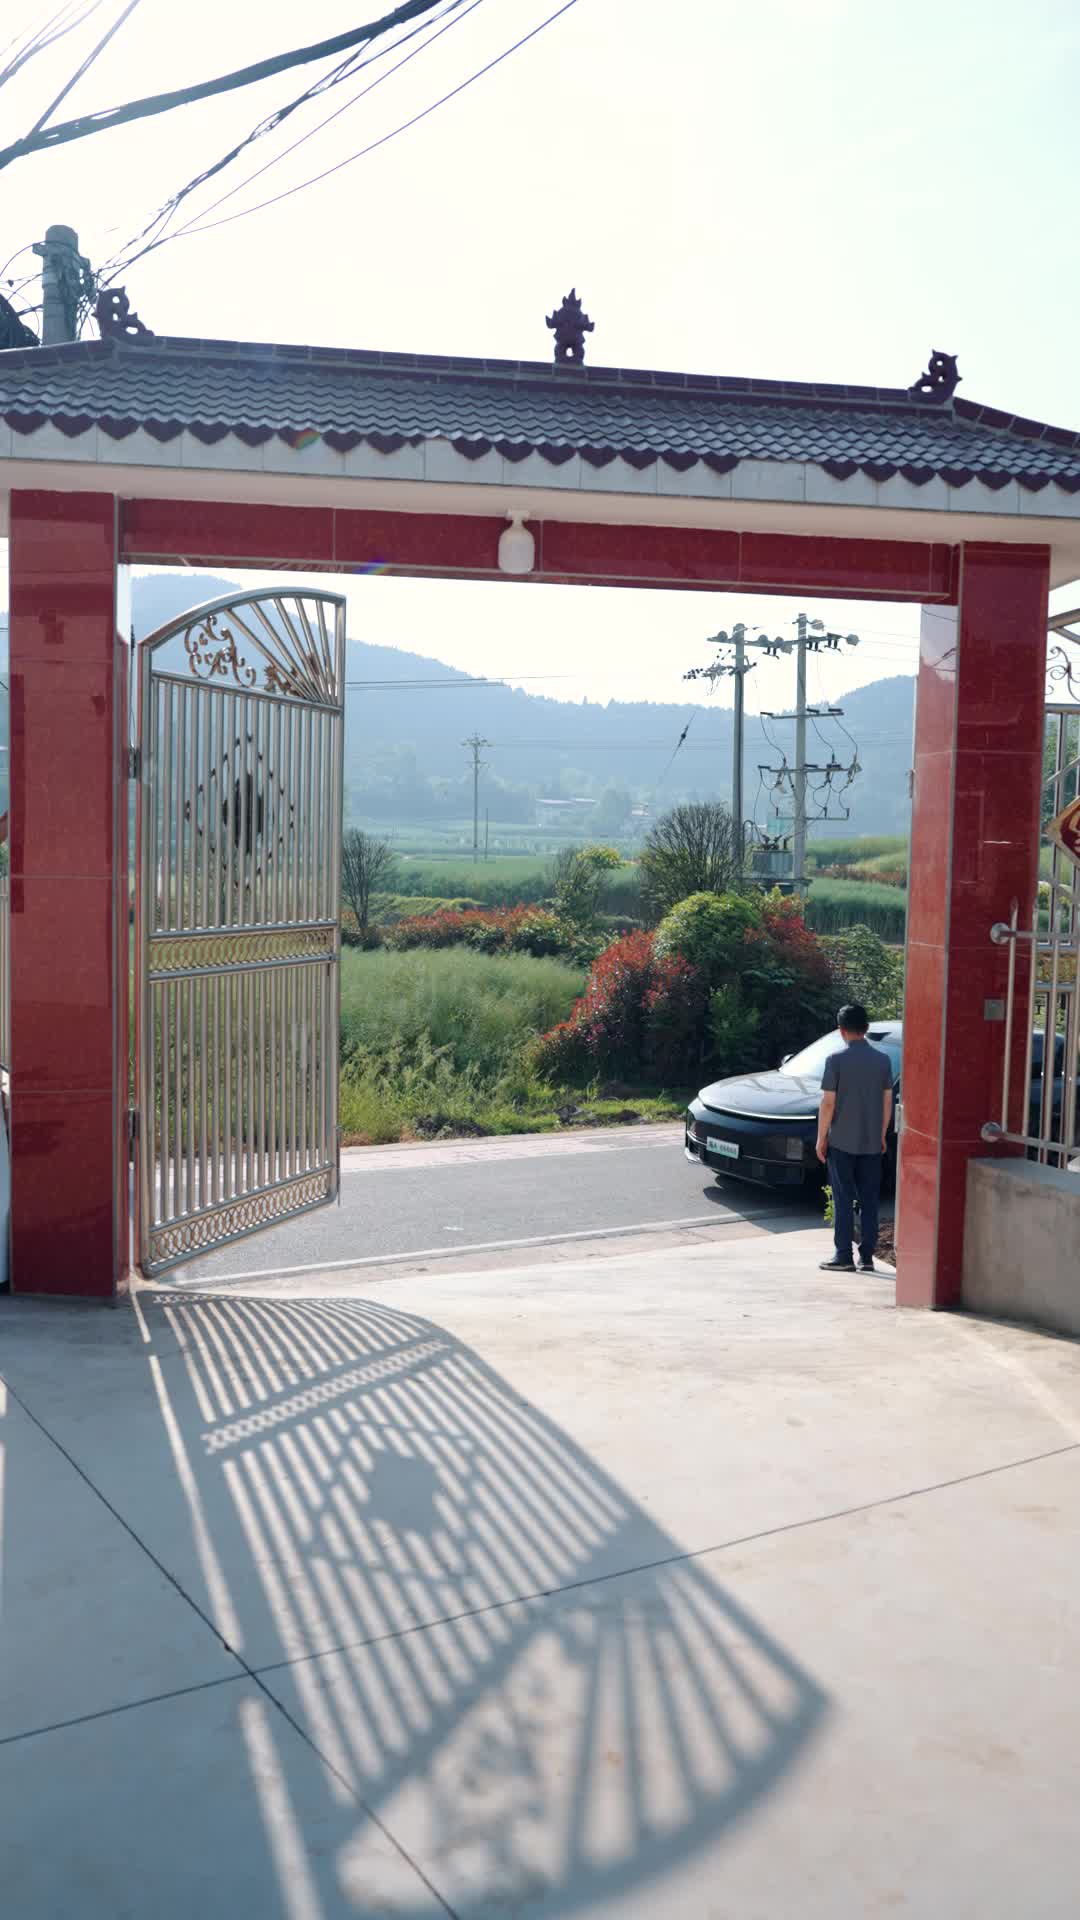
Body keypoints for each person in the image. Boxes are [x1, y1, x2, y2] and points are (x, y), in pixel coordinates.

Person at [815, 1003, 893, 1274]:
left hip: (841, 1143)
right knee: (870, 1201)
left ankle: (843, 1255)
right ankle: (867, 1257)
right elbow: (887, 1102)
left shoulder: (835, 1060)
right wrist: (881, 1135)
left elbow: (828, 1103)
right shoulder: (883, 1061)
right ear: (866, 1028)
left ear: (841, 1030)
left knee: (843, 1199)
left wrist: (821, 1138)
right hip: (871, 1143)